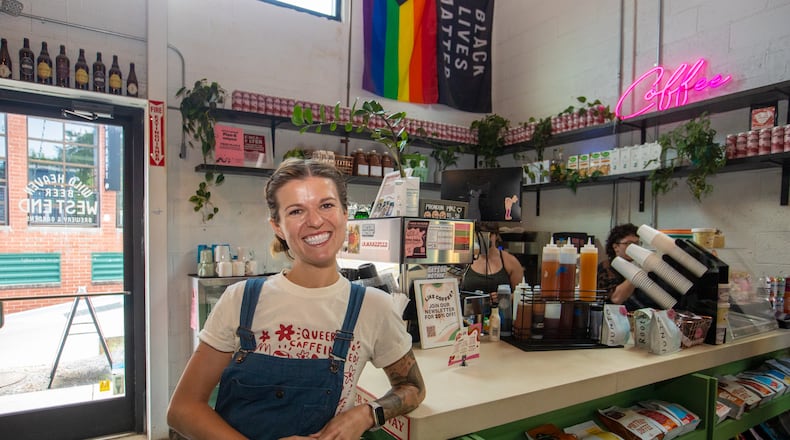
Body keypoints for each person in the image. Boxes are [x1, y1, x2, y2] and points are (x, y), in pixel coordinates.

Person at [167, 158, 426, 440]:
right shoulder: (241, 299)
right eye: (296, 211)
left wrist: (367, 414)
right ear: (277, 226)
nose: (314, 221)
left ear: (344, 214)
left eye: (326, 205)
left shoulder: (373, 306)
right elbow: (182, 409)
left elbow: (413, 388)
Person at [597, 223, 661, 311]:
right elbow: (616, 299)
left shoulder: (636, 266)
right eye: (629, 243)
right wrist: (638, 274)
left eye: (637, 243)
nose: (634, 247)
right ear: (616, 247)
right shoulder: (607, 267)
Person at [460, 221, 524, 300]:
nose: (484, 239)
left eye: (488, 235)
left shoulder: (510, 261)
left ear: (496, 235)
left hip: (500, 307)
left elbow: (520, 294)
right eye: (480, 235)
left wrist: (504, 297)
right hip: (469, 307)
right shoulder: (466, 259)